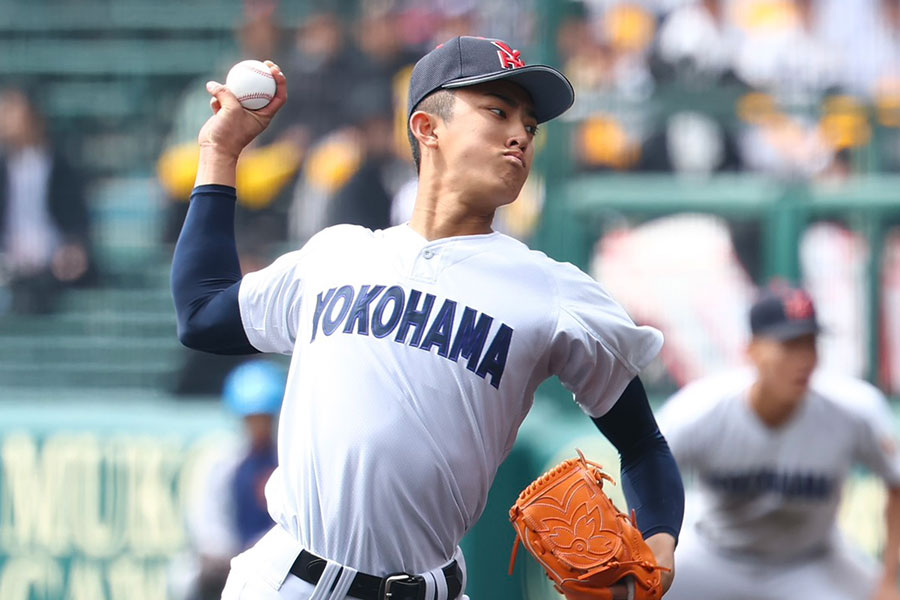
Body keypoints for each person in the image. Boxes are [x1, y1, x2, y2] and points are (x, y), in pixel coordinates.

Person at [171, 37, 684, 600]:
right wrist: (220, 154)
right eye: (497, 111)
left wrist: (660, 542)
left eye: (530, 126)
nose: (519, 134)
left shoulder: (554, 293)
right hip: (288, 582)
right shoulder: (337, 253)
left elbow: (642, 444)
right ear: (426, 127)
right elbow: (202, 314)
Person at [659, 285, 900, 600]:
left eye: (810, 343)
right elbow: (647, 469)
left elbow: (896, 482)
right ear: (751, 350)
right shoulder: (700, 411)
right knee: (639, 589)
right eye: (789, 345)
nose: (804, 359)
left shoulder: (854, 409)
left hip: (810, 563)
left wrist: (890, 579)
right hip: (714, 555)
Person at [175, 359, 286, 600]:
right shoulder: (222, 460)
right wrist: (226, 554)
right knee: (183, 576)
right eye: (252, 418)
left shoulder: (287, 459)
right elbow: (206, 518)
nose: (259, 425)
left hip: (278, 562)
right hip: (229, 560)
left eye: (264, 417)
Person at [0, 87, 96, 314]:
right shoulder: (4, 165)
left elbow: (76, 216)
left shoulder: (60, 163)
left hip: (53, 260)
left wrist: (74, 246)